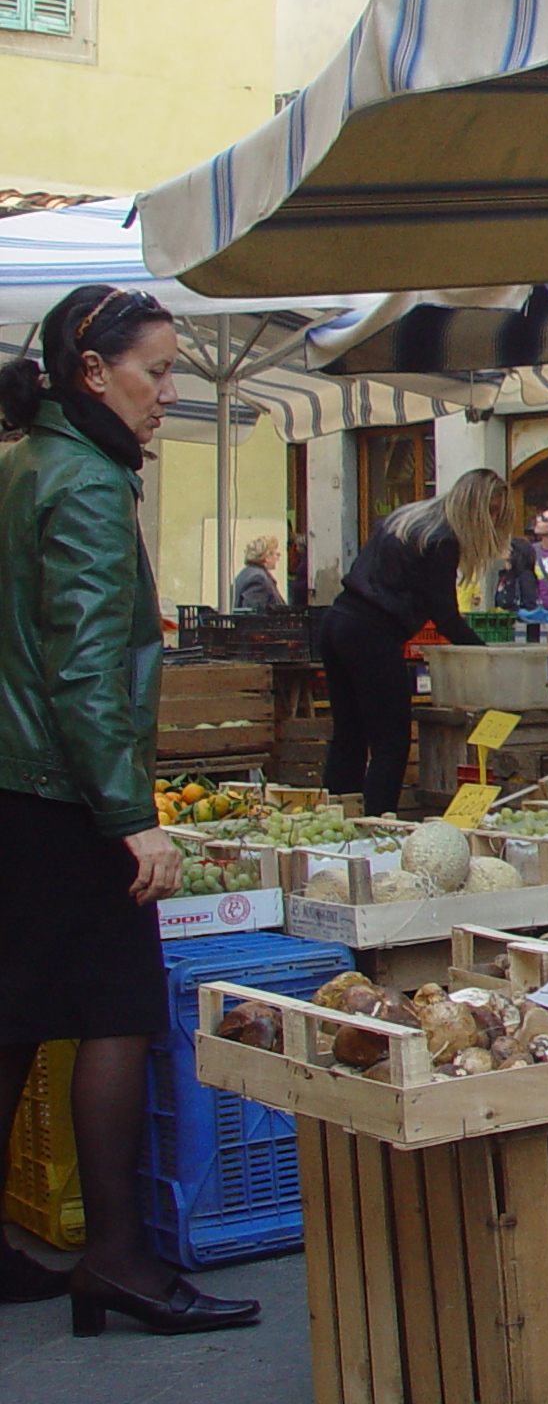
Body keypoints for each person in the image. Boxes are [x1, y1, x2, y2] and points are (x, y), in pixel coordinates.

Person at [0, 284, 260, 1336]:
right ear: (91, 370)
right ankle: (113, 1256)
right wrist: (130, 815)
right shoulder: (88, 483)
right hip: (67, 790)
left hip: (16, 784)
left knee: (13, 1016)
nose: (167, 395)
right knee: (117, 1012)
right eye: (156, 372)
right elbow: (86, 670)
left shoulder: (24, 465)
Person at [316, 470, 510, 815]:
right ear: (475, 511)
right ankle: (378, 825)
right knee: (391, 741)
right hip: (372, 632)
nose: (493, 523)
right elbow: (445, 616)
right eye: (491, 515)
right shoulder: (442, 540)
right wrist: (488, 656)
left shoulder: (408, 519)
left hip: (337, 621)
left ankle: (334, 818)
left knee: (349, 734)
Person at [229, 535, 286, 614]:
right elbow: (253, 615)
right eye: (276, 554)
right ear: (266, 556)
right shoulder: (258, 579)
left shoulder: (246, 573)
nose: (277, 558)